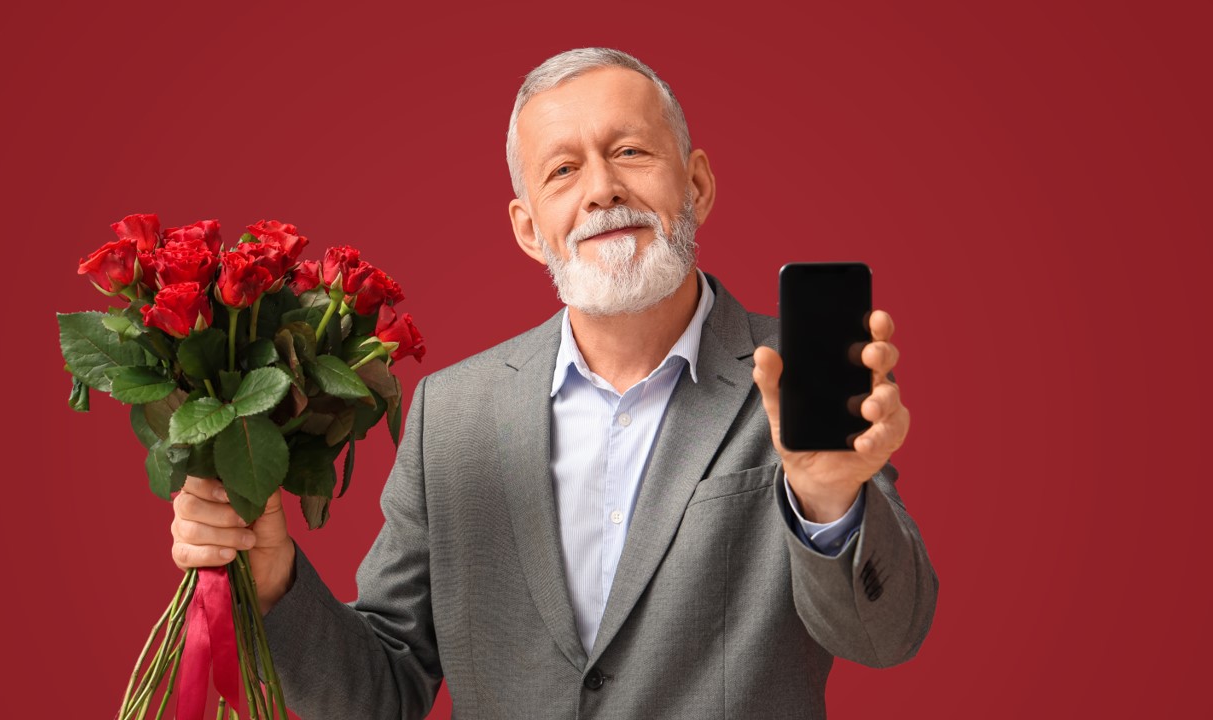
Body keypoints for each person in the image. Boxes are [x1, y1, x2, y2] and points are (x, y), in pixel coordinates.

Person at [171, 47, 936, 719]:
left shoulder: (794, 376)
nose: (602, 190)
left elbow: (885, 635)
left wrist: (832, 505)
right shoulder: (452, 415)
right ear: (529, 228)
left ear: (696, 185)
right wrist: (272, 580)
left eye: (631, 151)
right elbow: (382, 690)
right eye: (563, 170)